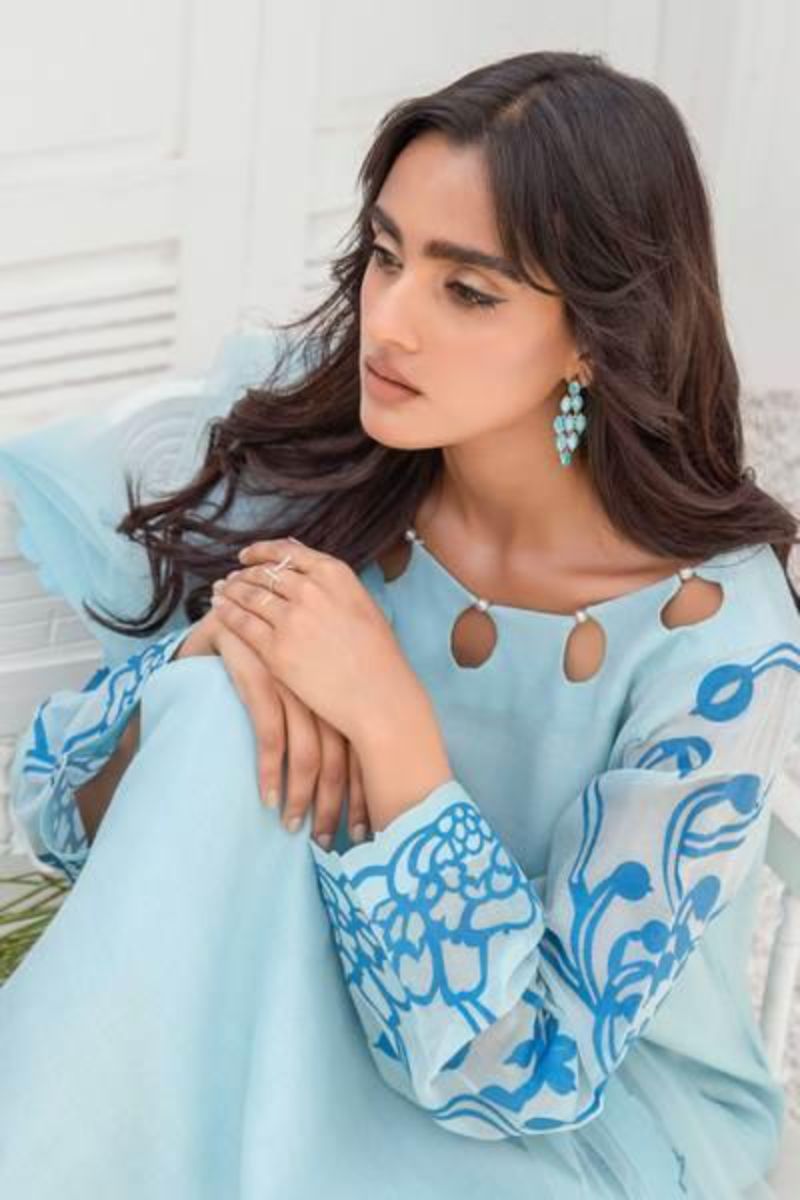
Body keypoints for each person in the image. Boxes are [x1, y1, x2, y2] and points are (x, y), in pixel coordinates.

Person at [0, 48, 798, 1200]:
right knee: (219, 703)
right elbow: (63, 823)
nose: (388, 322)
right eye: (385, 256)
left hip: (567, 1122)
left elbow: (538, 1072)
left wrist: (395, 740)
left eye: (466, 290)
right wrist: (210, 648)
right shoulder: (355, 466)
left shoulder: (717, 640)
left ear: (595, 332)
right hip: (307, 991)